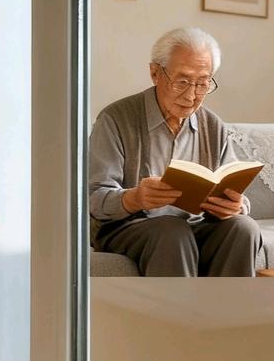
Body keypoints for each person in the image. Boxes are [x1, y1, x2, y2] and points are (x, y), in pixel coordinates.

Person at [88, 26, 263, 276]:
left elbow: (231, 186)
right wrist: (134, 198)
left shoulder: (213, 126)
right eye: (182, 82)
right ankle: (178, 315)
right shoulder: (115, 119)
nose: (192, 95)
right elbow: (94, 198)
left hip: (195, 225)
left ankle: (230, 314)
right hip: (128, 227)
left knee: (243, 228)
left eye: (202, 83)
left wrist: (237, 206)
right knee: (172, 232)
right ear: (155, 73)